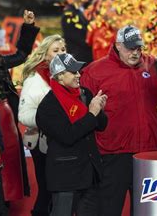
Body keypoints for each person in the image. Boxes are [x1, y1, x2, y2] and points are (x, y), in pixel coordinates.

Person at [80, 25, 157, 216]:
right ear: (117, 45)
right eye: (130, 48)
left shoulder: (154, 65)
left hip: (148, 152)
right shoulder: (94, 71)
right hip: (112, 154)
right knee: (109, 209)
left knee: (147, 211)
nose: (135, 52)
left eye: (138, 48)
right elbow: (84, 115)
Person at [36, 53, 107, 216]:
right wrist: (91, 114)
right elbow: (68, 136)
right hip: (65, 179)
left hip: (90, 174)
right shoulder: (48, 106)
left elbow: (102, 126)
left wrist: (99, 110)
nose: (78, 75)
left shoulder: (85, 93)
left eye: (78, 71)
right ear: (60, 76)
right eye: (73, 72)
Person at [0, 10, 39, 202]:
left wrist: (27, 28)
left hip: (4, 116)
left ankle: (3, 201)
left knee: (8, 161)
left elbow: (20, 56)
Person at [19, 34, 67, 216]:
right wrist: (50, 121)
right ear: (45, 55)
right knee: (47, 190)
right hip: (42, 144)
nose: (61, 53)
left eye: (63, 50)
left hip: (64, 141)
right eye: (55, 51)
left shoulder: (68, 74)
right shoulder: (34, 80)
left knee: (61, 191)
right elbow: (24, 115)